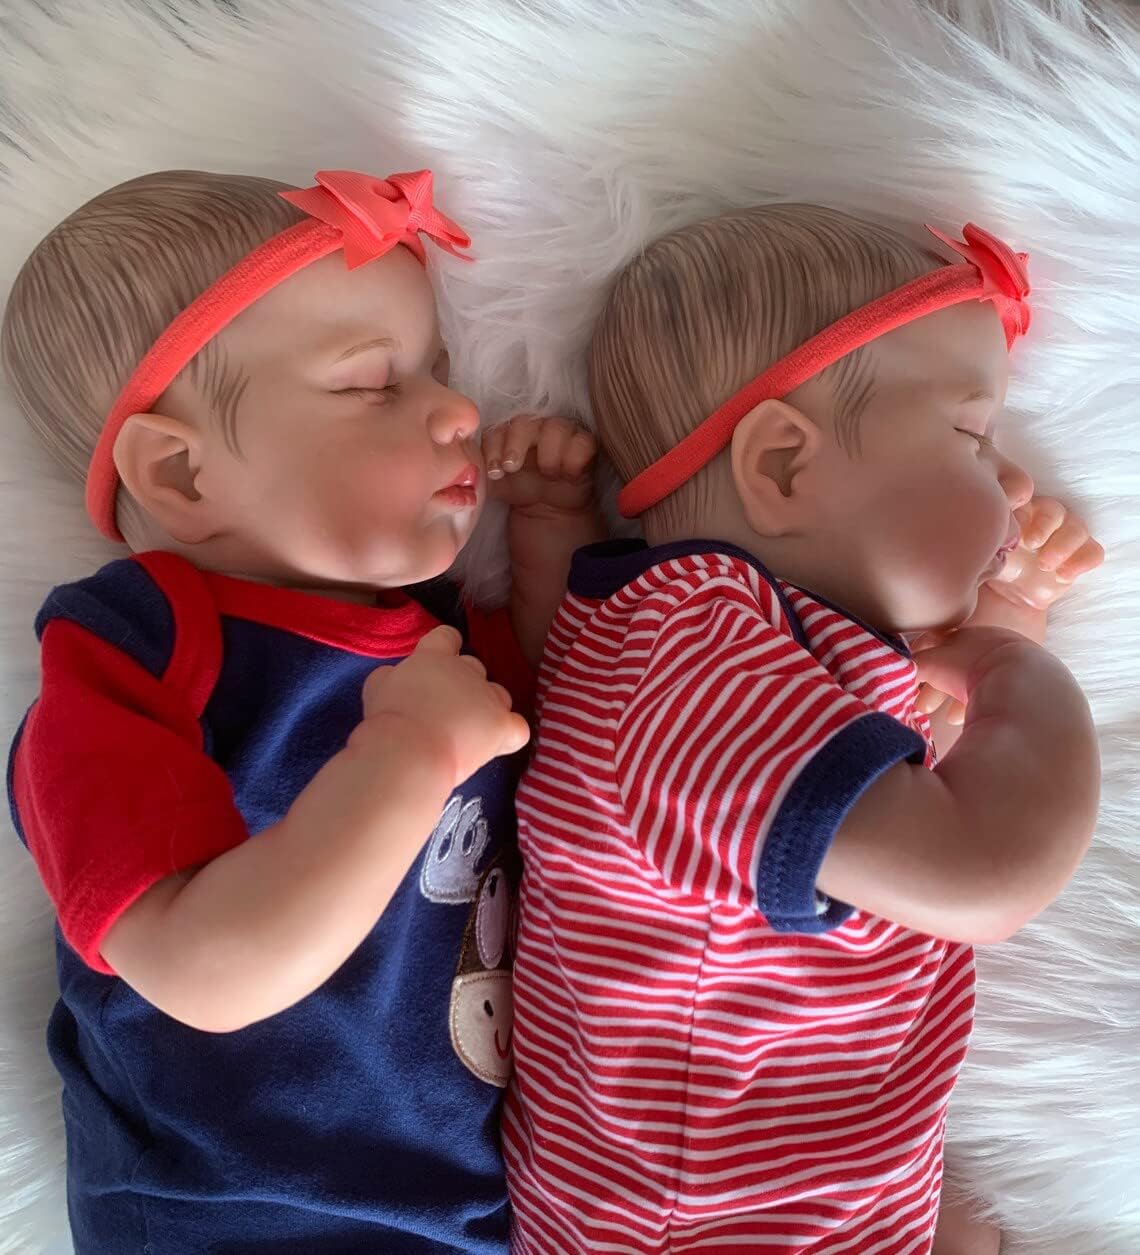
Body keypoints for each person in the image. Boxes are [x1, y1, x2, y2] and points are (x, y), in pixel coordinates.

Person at [2, 166, 602, 1253]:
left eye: (439, 370)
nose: (459, 411)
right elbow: (203, 969)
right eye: (374, 384)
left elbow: (579, 718)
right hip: (231, 1217)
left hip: (479, 1212)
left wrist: (556, 533)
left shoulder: (438, 639)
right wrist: (407, 752)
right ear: (181, 473)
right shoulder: (132, 655)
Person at [503, 205, 1104, 1254]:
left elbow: (932, 763)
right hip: (719, 1221)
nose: (1014, 484)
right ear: (782, 467)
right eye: (973, 438)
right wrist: (1023, 672)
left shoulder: (703, 646)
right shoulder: (697, 660)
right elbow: (980, 868)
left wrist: (1005, 615)